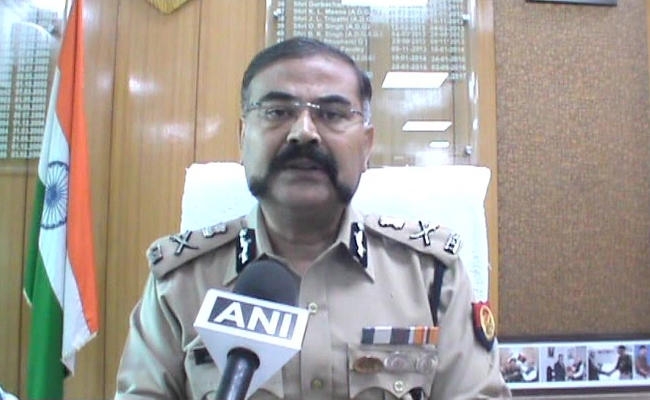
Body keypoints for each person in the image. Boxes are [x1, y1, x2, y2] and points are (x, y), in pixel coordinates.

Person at [114, 36, 510, 399]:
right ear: (242, 137)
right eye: (277, 111)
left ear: (366, 146)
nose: (303, 132)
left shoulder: (431, 276)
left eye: (333, 114)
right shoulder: (179, 284)